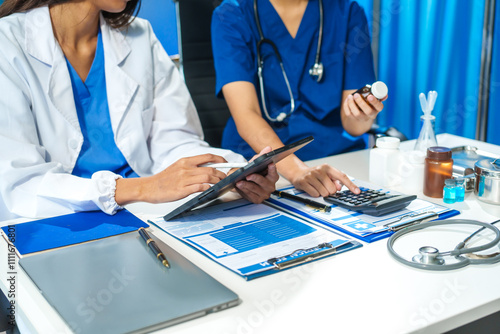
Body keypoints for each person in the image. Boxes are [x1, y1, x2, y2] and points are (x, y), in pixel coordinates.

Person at [0, 0, 278, 221]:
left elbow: (174, 141)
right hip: (55, 222)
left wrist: (233, 172)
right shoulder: (7, 44)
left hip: (143, 213)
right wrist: (144, 188)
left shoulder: (139, 35)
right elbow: (20, 185)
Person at [212, 0, 386, 197]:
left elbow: (354, 127)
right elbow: (246, 115)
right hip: (258, 165)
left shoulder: (346, 12)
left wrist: (362, 114)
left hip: (329, 158)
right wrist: (297, 172)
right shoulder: (232, 14)